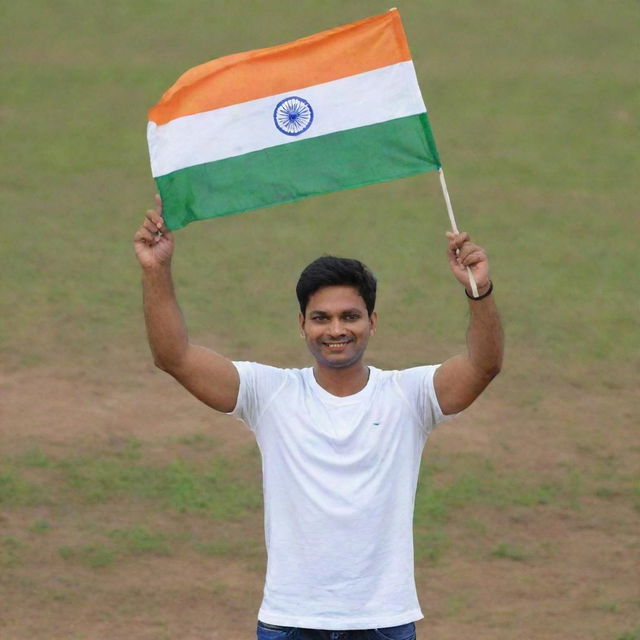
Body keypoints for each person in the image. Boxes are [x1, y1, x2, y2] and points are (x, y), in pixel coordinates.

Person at [134, 195, 504, 640]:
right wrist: (156, 270)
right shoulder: (269, 394)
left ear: (372, 321)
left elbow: (484, 365)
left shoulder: (409, 396)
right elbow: (173, 356)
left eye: (350, 316)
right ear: (302, 325)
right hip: (291, 621)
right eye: (321, 318)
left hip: (382, 621)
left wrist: (477, 289)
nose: (336, 330)